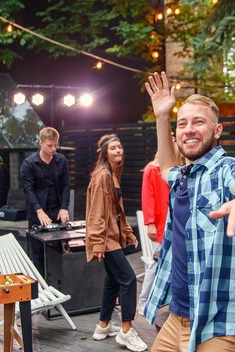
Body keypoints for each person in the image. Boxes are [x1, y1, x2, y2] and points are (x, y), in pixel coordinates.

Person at [144, 71, 235, 352]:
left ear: (217, 130)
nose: (188, 129)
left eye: (198, 122)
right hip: (176, 318)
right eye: (182, 124)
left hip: (217, 322)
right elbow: (165, 168)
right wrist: (162, 116)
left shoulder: (227, 167)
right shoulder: (184, 175)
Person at [85, 134, 148, 352]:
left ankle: (102, 326)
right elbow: (97, 212)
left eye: (120, 147)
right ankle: (127, 330)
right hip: (106, 238)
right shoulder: (102, 176)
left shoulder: (113, 174)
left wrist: (128, 231)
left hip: (114, 236)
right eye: (113, 148)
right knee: (128, 279)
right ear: (104, 152)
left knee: (113, 280)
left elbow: (116, 211)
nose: (118, 151)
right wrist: (98, 242)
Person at [137, 145, 182, 317]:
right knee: (155, 264)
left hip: (171, 222)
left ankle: (162, 299)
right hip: (159, 223)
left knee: (167, 263)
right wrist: (150, 222)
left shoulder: (173, 170)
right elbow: (147, 197)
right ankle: (143, 300)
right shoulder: (152, 169)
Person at [20, 127, 70, 277]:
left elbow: (66, 185)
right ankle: (40, 288)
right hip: (38, 212)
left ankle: (59, 284)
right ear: (40, 143)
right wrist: (39, 211)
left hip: (57, 210)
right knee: (38, 253)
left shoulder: (62, 160)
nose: (53, 149)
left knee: (60, 249)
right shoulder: (29, 164)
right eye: (50, 145)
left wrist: (64, 207)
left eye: (56, 145)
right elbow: (28, 189)